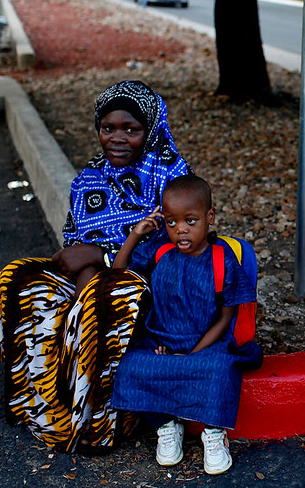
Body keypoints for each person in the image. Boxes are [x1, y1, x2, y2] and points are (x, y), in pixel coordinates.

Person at [0, 80, 192, 453]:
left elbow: (177, 244)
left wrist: (103, 258)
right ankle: (38, 395)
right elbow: (73, 239)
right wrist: (81, 261)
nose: (118, 138)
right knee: (15, 283)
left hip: (152, 283)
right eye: (108, 128)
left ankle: (96, 418)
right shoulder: (89, 178)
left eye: (132, 129)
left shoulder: (170, 176)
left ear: (152, 129)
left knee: (99, 297)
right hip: (86, 274)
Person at [110, 175, 262, 475]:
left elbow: (225, 318)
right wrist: (136, 235)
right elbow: (118, 274)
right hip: (161, 342)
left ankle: (214, 432)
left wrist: (193, 354)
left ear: (210, 217)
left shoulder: (222, 259)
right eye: (171, 222)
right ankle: (167, 425)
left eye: (190, 220)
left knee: (220, 368)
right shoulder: (160, 251)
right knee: (130, 365)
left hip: (206, 345)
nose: (180, 229)